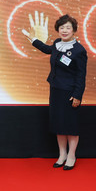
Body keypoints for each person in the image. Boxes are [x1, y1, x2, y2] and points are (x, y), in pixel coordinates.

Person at [22, 12, 87, 170]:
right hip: (56, 90)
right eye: (62, 28)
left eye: (68, 28)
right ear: (58, 30)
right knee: (59, 124)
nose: (64, 30)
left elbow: (81, 75)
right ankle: (62, 154)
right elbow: (47, 49)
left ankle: (71, 155)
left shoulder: (79, 50)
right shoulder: (57, 43)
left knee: (70, 126)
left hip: (70, 93)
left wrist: (77, 95)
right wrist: (33, 39)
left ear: (74, 30)